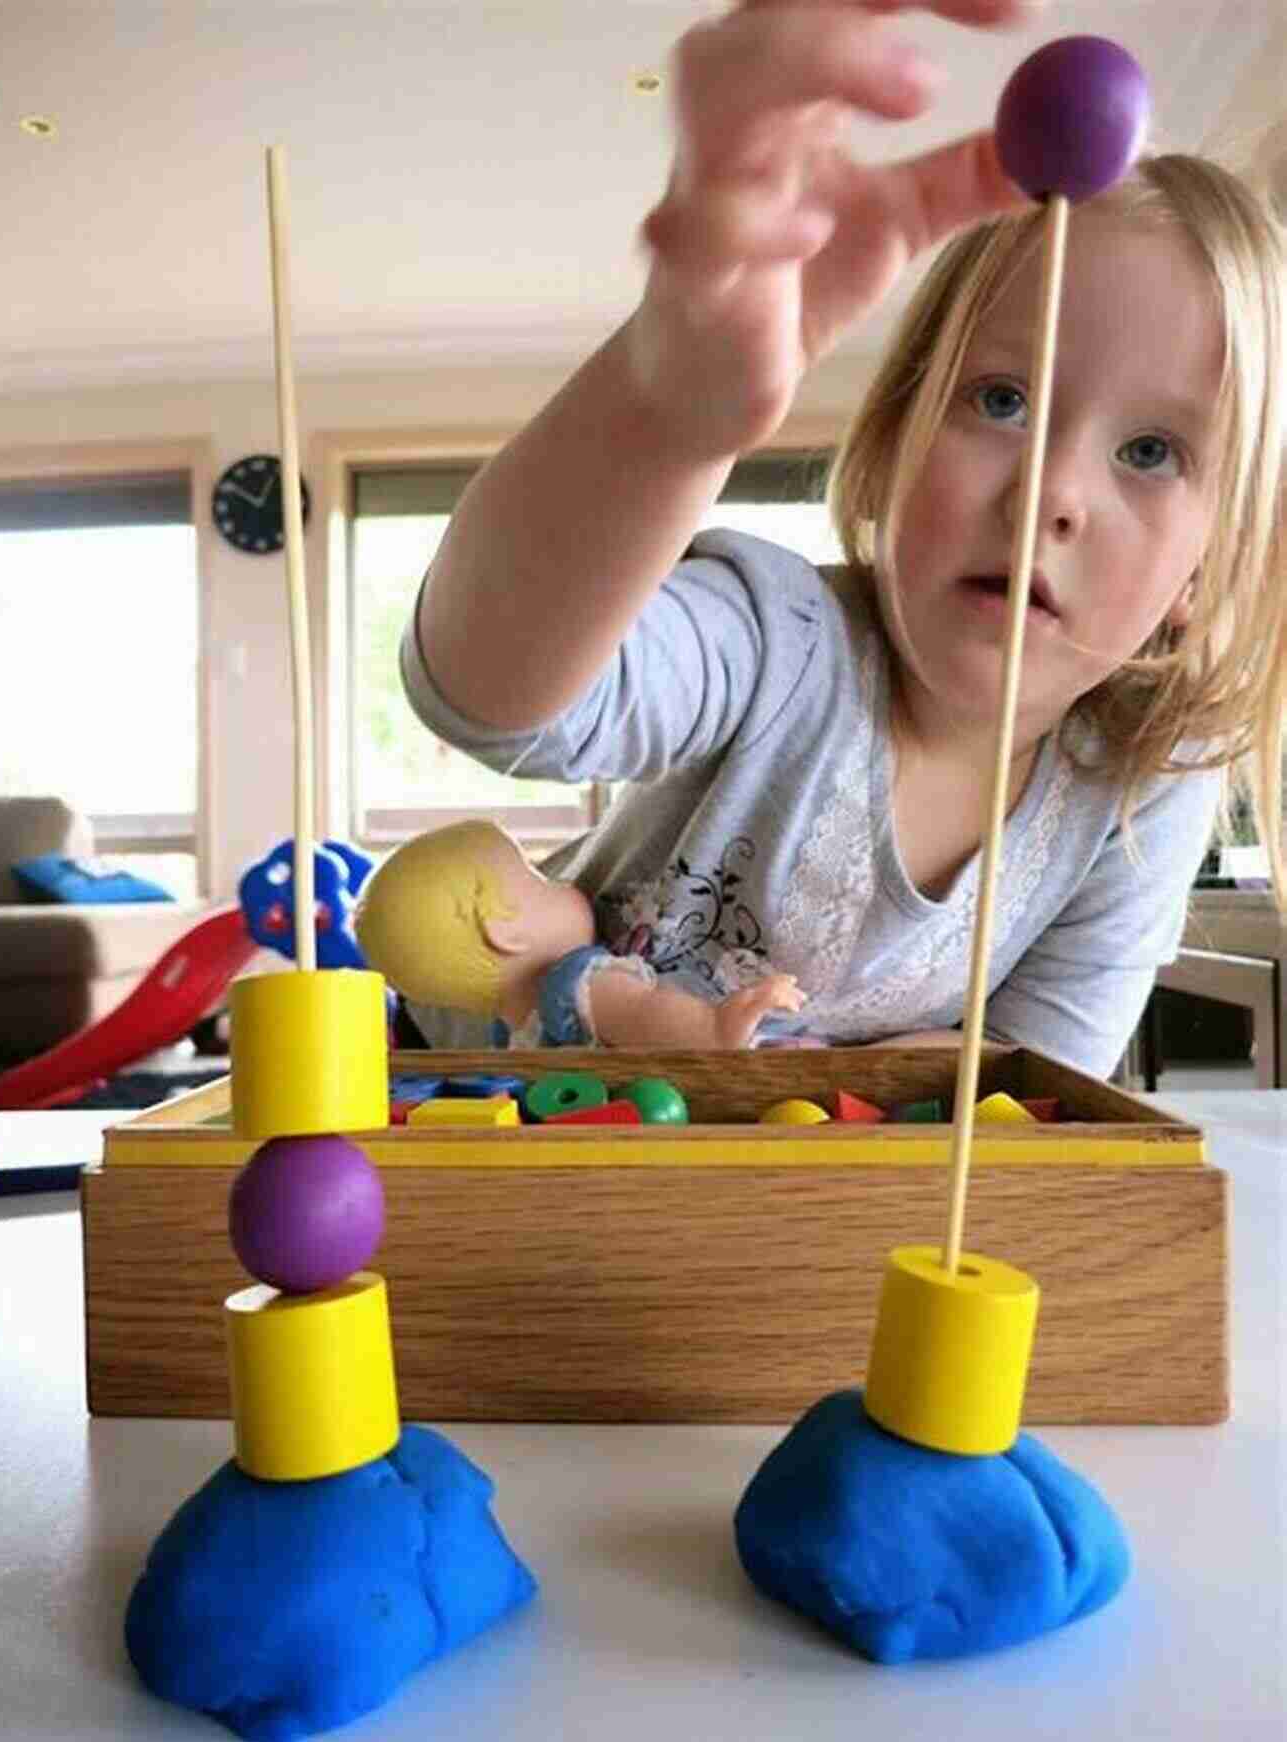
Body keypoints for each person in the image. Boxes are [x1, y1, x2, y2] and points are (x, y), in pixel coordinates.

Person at [398, 0, 1286, 1080]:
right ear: (900, 434)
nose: (1050, 494)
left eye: (1151, 453)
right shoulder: (781, 637)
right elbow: (492, 697)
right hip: (466, 1089)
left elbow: (1025, 1085)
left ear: (1208, 565)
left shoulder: (1141, 790)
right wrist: (663, 419)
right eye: (1001, 399)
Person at [354, 818, 804, 1048]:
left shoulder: (508, 1031)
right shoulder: (580, 982)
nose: (565, 883)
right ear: (503, 932)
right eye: (535, 879)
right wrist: (724, 1021)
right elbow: (648, 1012)